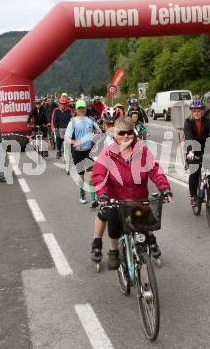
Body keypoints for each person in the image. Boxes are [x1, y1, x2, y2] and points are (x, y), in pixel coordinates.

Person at [91, 116, 172, 270]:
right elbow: (98, 175)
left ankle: (149, 242)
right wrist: (102, 193)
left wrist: (164, 187)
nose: (126, 136)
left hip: (138, 199)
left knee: (145, 221)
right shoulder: (107, 153)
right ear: (115, 134)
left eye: (129, 132)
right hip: (117, 200)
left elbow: (155, 170)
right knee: (112, 219)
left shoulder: (142, 150)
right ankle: (113, 250)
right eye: (121, 133)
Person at [90, 106, 123, 265]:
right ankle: (97, 243)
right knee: (106, 212)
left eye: (115, 123)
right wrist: (101, 193)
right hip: (107, 183)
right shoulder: (99, 140)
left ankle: (149, 240)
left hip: (126, 184)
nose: (112, 127)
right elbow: (97, 170)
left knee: (141, 207)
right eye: (108, 124)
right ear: (103, 124)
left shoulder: (129, 136)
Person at [184, 99, 210, 206]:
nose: (196, 113)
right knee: (195, 171)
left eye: (199, 111)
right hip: (192, 149)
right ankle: (193, 196)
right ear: (191, 112)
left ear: (203, 111)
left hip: (205, 147)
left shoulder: (208, 121)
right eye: (194, 111)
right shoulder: (188, 122)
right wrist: (190, 151)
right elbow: (188, 137)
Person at [65, 100, 100, 207]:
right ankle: (82, 194)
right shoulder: (72, 122)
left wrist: (95, 137)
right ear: (75, 110)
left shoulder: (90, 120)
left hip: (89, 151)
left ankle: (94, 199)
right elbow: (67, 138)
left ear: (86, 109)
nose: (81, 110)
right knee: (81, 176)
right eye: (79, 108)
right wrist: (75, 142)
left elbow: (98, 131)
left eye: (83, 108)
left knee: (91, 175)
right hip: (77, 152)